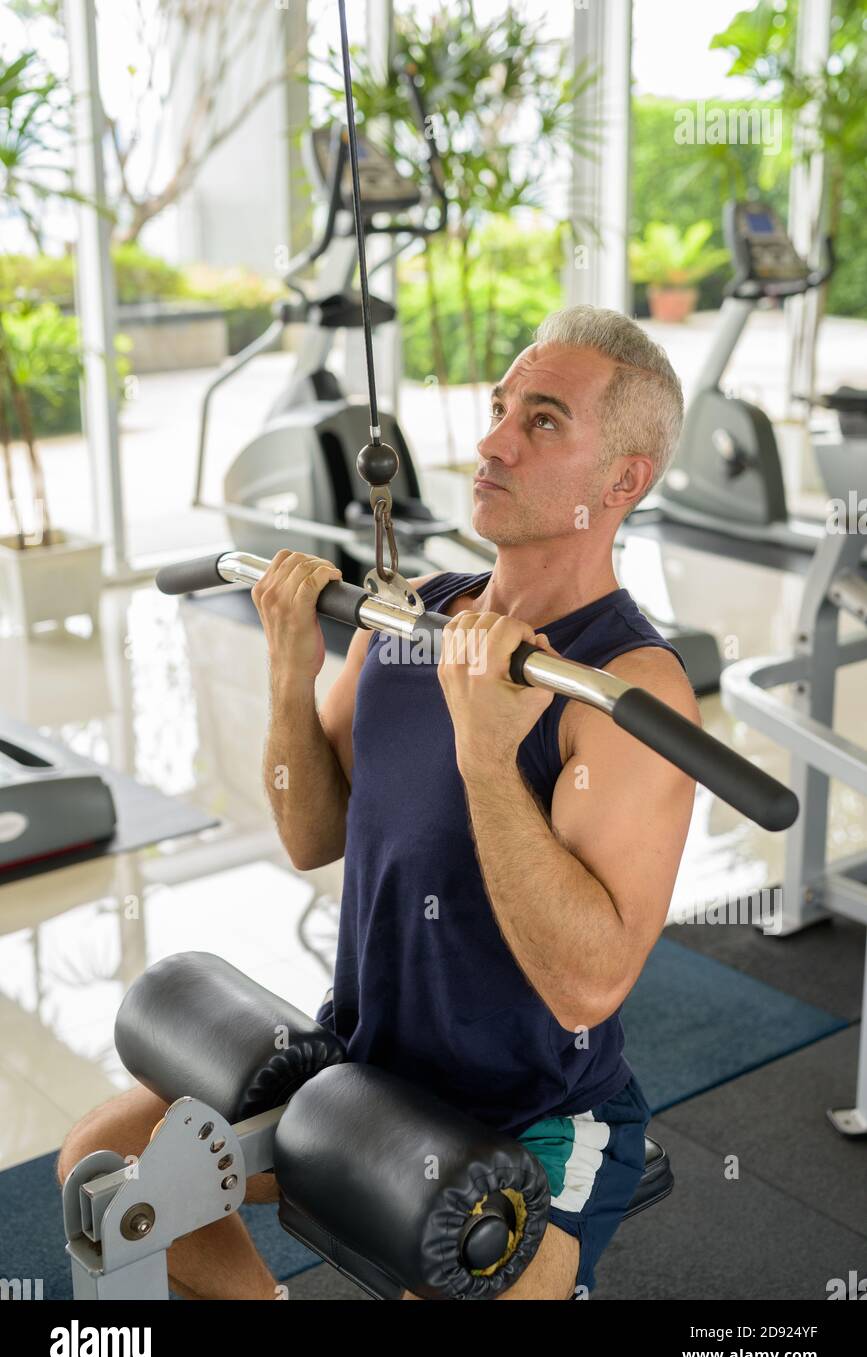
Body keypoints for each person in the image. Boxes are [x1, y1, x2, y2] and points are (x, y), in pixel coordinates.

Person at [58, 305, 699, 1300]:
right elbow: (312, 832)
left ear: (620, 481)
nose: (490, 441)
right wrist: (287, 670)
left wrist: (488, 756)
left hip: (531, 1116)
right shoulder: (410, 616)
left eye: (541, 422)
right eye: (496, 408)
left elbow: (585, 986)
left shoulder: (628, 688)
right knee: (105, 1169)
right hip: (360, 1075)